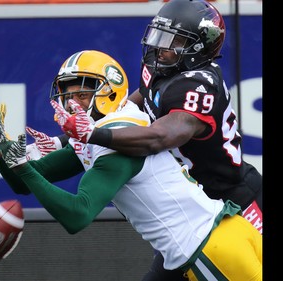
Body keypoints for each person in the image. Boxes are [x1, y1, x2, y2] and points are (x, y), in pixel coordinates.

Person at [0, 50, 262, 280]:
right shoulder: (104, 133)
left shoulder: (116, 138)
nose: (73, 104)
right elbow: (26, 181)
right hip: (220, 237)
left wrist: (22, 166)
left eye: (83, 95)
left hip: (210, 251)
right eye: (68, 96)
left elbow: (77, 215)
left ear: (111, 93)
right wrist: (1, 154)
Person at [51, 2, 263, 280]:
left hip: (236, 203)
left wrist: (92, 133)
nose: (159, 47)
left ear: (200, 46)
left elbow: (160, 136)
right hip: (193, 217)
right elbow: (130, 107)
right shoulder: (160, 69)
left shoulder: (200, 84)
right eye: (158, 35)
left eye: (172, 40)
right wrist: (63, 141)